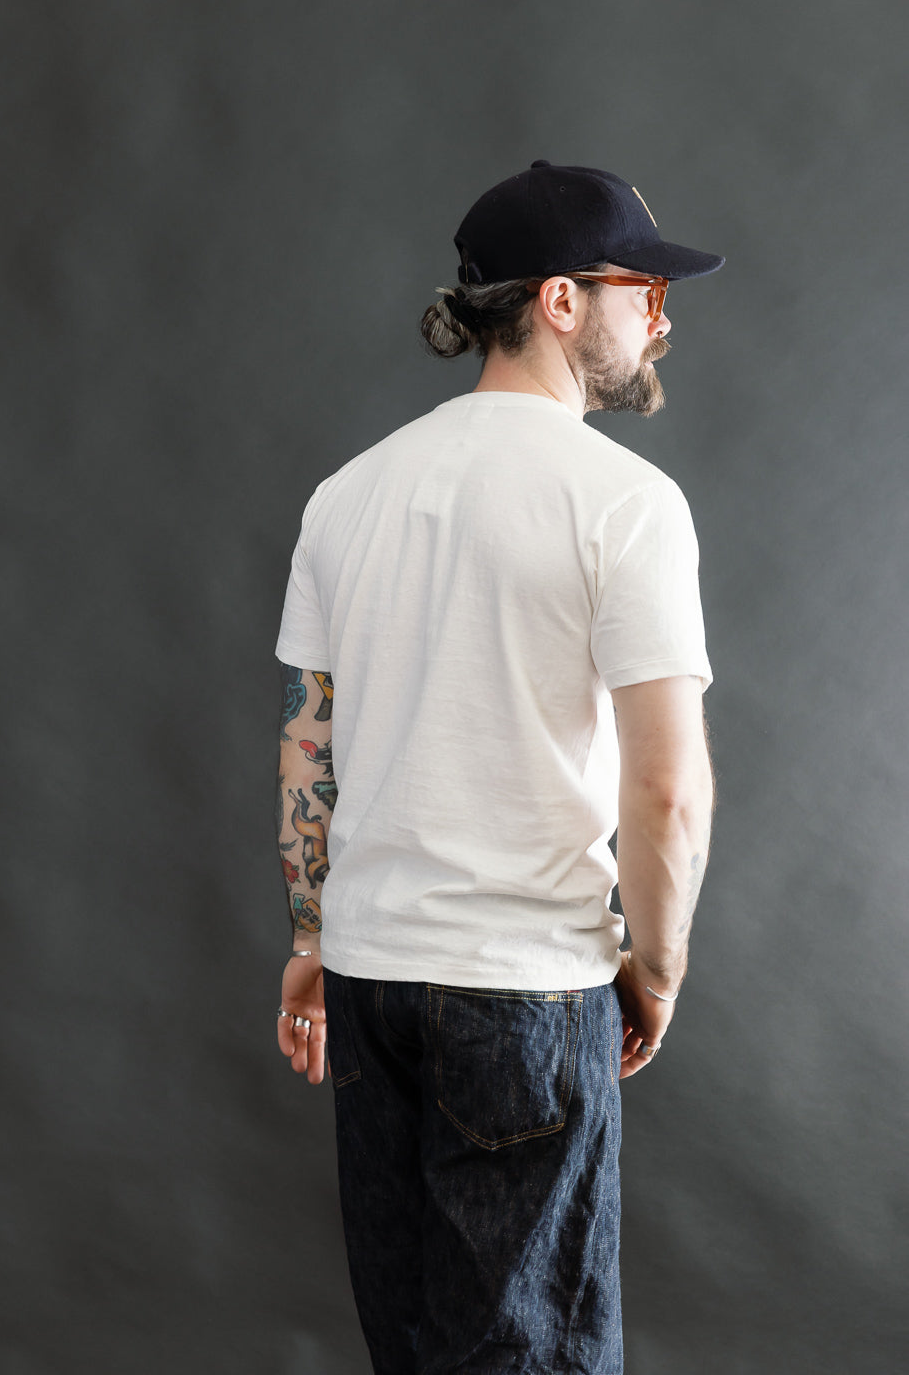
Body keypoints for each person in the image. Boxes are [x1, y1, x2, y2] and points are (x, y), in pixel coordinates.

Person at [273, 159, 721, 1375]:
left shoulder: (347, 495)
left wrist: (313, 933)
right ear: (562, 300)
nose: (662, 316)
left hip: (371, 983)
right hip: (524, 989)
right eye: (643, 286)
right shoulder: (624, 503)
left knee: (414, 1343)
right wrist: (657, 969)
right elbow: (667, 789)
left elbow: (309, 738)